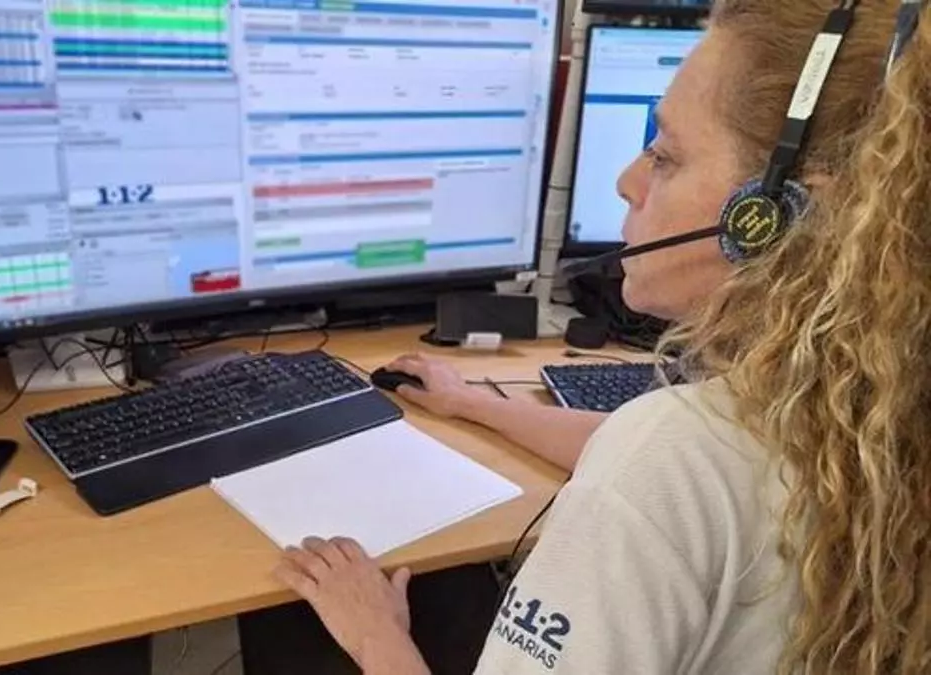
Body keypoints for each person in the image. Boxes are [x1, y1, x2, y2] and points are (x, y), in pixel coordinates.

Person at [254, 0, 931, 673]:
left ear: (784, 216)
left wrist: (376, 634)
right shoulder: (869, 409)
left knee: (301, 621)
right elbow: (668, 469)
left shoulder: (673, 454)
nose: (626, 181)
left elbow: (667, 474)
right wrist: (474, 404)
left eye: (665, 156)